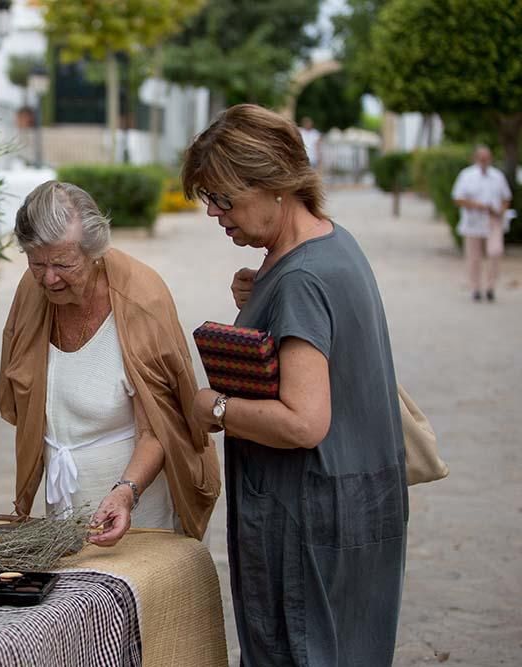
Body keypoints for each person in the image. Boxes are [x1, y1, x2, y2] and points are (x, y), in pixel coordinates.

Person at [181, 104, 408, 666]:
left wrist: (215, 408)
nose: (214, 213)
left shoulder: (301, 278)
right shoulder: (332, 246)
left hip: (306, 521)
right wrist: (263, 294)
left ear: (274, 184)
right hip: (355, 504)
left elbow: (305, 422)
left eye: (223, 198)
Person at [0, 181, 221, 547]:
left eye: (63, 264)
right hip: (64, 506)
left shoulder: (141, 299)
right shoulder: (33, 290)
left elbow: (161, 427)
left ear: (94, 251)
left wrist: (124, 493)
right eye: (37, 262)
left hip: (139, 508)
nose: (49, 278)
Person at [451, 145, 513, 302]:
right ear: (476, 159)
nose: (485, 161)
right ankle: (475, 288)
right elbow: (457, 198)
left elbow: (506, 197)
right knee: (474, 257)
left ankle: (491, 287)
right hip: (473, 221)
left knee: (495, 252)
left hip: (493, 220)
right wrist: (477, 205)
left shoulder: (497, 176)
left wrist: (501, 210)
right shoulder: (466, 175)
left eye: (487, 158)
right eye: (482, 158)